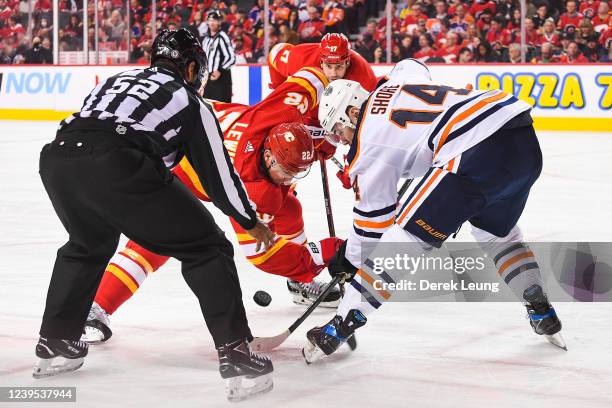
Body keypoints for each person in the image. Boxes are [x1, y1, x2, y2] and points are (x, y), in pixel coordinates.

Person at [33, 29, 275, 402]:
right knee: (207, 246)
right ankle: (236, 352)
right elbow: (218, 176)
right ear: (191, 66)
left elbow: (91, 122)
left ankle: (56, 339)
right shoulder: (190, 101)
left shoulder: (119, 78)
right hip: (116, 161)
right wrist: (248, 220)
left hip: (58, 156)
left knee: (87, 243)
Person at [302, 59, 565, 363]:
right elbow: (412, 64)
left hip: (472, 151)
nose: (341, 139)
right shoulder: (393, 84)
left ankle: (341, 325)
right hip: (520, 137)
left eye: (338, 130)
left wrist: (349, 260)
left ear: (351, 112)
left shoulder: (366, 147)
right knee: (496, 232)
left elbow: (372, 228)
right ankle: (539, 306)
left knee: (405, 238)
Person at [82, 66, 344, 344]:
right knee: (157, 241)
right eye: (287, 169)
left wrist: (322, 126)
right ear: (268, 157)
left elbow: (310, 74)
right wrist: (323, 255)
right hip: (169, 165)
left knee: (289, 207)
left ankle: (299, 281)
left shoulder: (279, 113)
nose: (291, 177)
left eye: (297, 170)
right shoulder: (253, 188)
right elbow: (263, 255)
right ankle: (95, 307)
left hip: (182, 130)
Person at [267, 33, 377, 92]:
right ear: (321, 62)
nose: (333, 73)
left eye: (339, 66)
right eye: (329, 66)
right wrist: (279, 88)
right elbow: (275, 51)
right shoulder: (300, 58)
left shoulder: (364, 77)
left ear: (348, 62)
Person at [202, 11, 235, 102]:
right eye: (210, 20)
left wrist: (220, 70)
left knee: (221, 107)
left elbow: (231, 57)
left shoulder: (223, 37)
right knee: (208, 106)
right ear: (207, 22)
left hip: (221, 78)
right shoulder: (206, 39)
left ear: (219, 22)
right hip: (207, 78)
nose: (212, 23)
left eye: (215, 20)